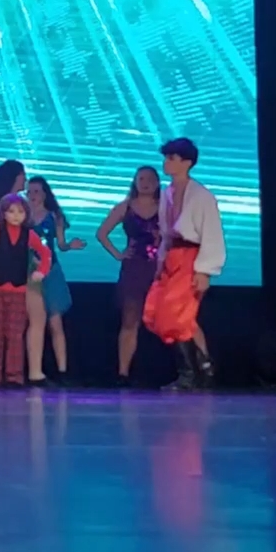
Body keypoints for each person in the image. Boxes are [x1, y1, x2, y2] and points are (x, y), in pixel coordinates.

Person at [142, 138, 225, 391]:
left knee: (176, 317)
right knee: (161, 314)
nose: (166, 163)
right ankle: (204, 367)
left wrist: (204, 270)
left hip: (191, 257)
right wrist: (161, 262)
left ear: (186, 162)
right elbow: (166, 233)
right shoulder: (168, 193)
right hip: (172, 257)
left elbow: (211, 233)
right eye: (166, 158)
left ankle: (189, 374)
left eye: (172, 158)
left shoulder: (201, 196)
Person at [0, 192, 51, 387]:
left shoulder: (28, 234)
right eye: (11, 211)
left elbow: (45, 253)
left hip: (18, 290)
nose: (16, 216)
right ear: (3, 213)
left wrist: (41, 271)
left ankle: (14, 376)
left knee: (15, 334)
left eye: (20, 212)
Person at [97, 165, 163, 386]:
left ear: (157, 183)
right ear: (134, 182)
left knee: (167, 320)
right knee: (130, 321)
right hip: (134, 270)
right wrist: (118, 254)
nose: (145, 183)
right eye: (141, 179)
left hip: (160, 271)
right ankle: (123, 373)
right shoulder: (125, 207)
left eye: (150, 179)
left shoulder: (166, 208)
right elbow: (102, 233)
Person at [25, 175, 86, 383]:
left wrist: (70, 245)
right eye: (29, 191)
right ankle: (34, 369)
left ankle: (62, 371)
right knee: (33, 321)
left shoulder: (54, 216)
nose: (32, 195)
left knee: (55, 322)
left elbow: (60, 244)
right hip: (28, 273)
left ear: (45, 194)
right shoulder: (21, 216)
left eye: (36, 191)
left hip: (50, 271)